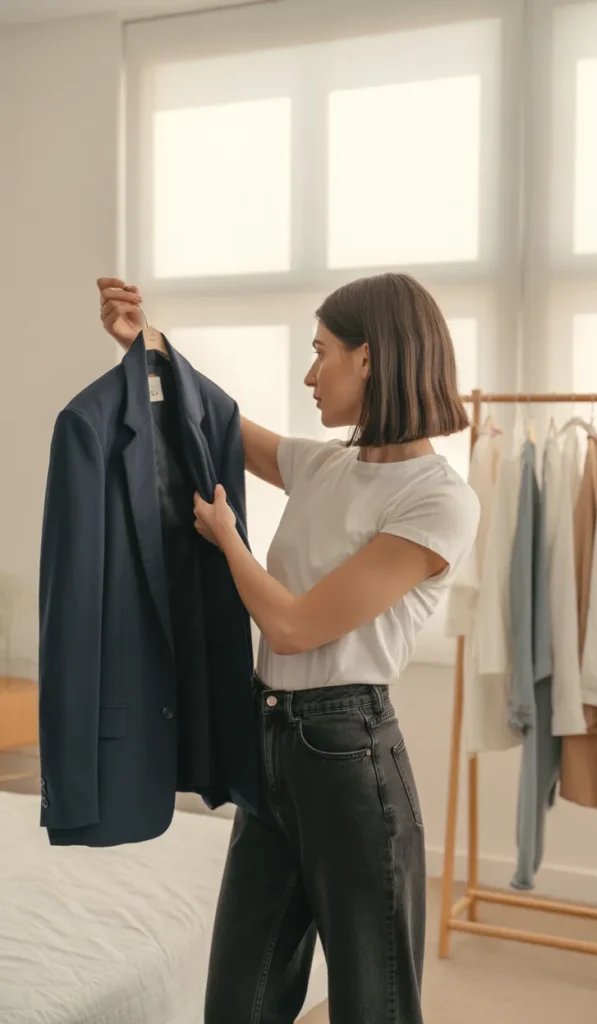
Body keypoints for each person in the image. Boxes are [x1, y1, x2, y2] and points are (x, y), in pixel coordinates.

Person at [97, 273, 480, 1024]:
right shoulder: (325, 465)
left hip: (349, 757)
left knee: (375, 1006)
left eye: (321, 352)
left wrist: (230, 541)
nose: (310, 374)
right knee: (238, 1001)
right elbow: (213, 418)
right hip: (271, 743)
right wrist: (143, 344)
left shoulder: (436, 498)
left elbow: (297, 626)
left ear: (368, 359)